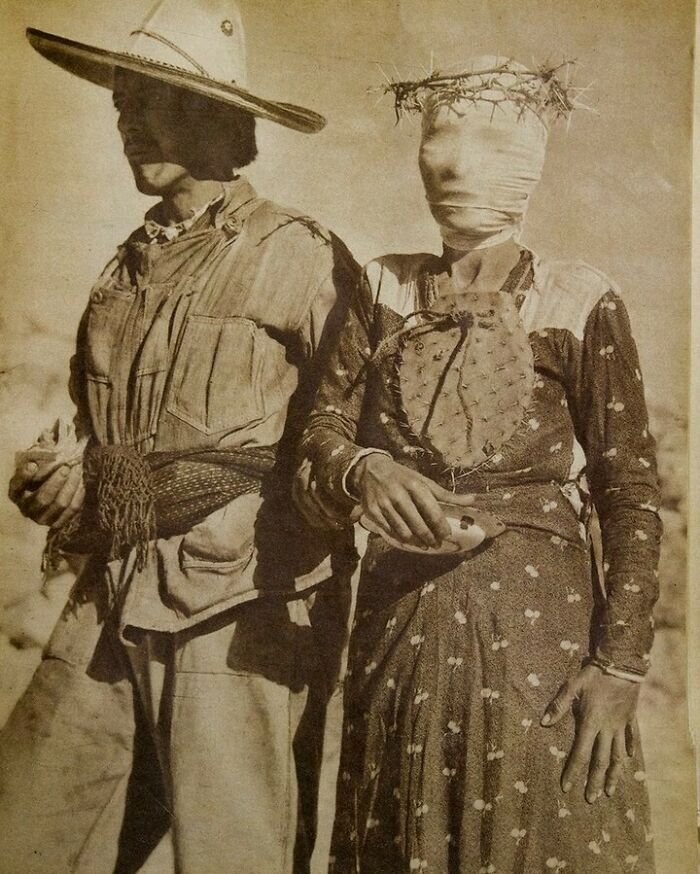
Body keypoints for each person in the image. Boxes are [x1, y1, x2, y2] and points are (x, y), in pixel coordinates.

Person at [1, 3, 359, 873]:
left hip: (239, 602)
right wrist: (63, 476)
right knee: (26, 827)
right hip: (112, 584)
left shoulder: (301, 255)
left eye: (149, 100)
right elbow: (93, 437)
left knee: (232, 850)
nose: (125, 121)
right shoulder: (122, 267)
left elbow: (350, 425)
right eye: (121, 101)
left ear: (219, 118)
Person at [294, 58, 662, 873]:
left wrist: (620, 664)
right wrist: (364, 469)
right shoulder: (384, 288)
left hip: (543, 631)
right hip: (402, 618)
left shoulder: (579, 298)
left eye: (486, 142)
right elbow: (320, 426)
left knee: (547, 824)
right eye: (438, 139)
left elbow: (627, 490)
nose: (453, 163)